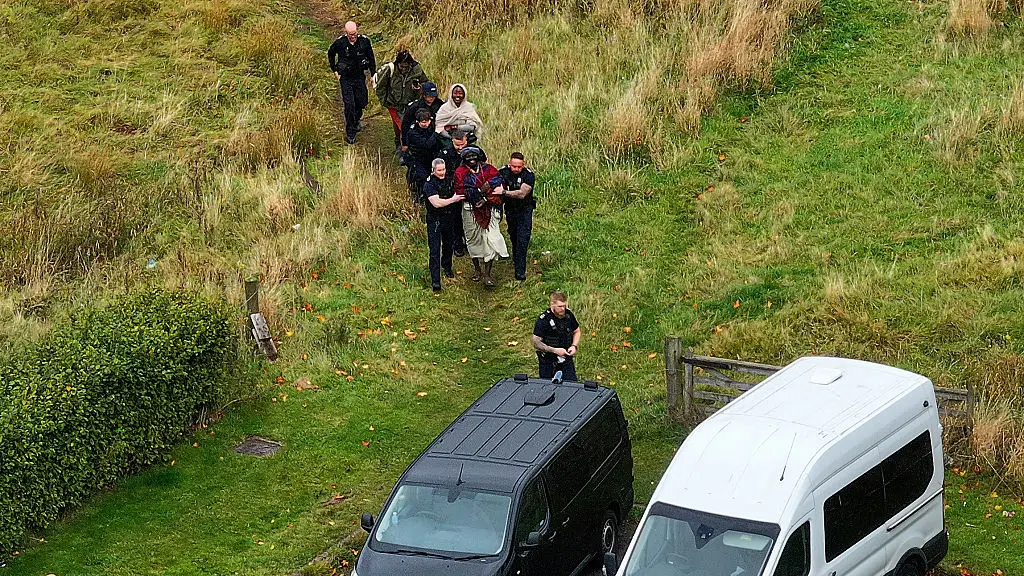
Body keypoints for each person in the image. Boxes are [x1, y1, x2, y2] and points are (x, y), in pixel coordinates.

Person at [454, 146, 507, 287]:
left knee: (491, 238)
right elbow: (460, 190)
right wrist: (476, 192)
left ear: (479, 157)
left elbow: (499, 182)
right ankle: (477, 269)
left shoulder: (489, 169)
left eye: (474, 156)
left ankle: (487, 274)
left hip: (489, 207)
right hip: (470, 209)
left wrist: (486, 196)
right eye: (468, 157)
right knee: (473, 239)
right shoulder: (460, 172)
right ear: (464, 159)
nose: (471, 159)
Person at [328, 21, 376, 145]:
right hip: (346, 78)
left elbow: (371, 57)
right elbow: (331, 53)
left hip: (360, 76)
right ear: (346, 33)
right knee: (349, 105)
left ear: (357, 31)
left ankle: (356, 119)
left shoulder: (364, 42)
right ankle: (351, 132)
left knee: (362, 101)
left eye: (354, 34)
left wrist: (373, 73)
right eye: (350, 34)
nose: (353, 36)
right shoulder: (340, 43)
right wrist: (335, 70)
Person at [422, 159, 465, 292]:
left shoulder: (450, 179)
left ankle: (447, 267)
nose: (442, 173)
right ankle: (436, 281)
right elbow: (437, 203)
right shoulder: (429, 184)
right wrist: (453, 199)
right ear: (433, 170)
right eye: (439, 170)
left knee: (448, 244)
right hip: (435, 218)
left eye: (444, 169)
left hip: (449, 217)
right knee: (434, 249)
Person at [374, 50, 429, 150]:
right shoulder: (390, 69)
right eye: (401, 66)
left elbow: (425, 83)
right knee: (403, 125)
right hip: (393, 104)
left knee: (401, 123)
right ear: (397, 64)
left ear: (410, 65)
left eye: (406, 67)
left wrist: (419, 89)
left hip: (410, 103)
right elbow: (380, 87)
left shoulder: (417, 69)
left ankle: (399, 142)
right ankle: (403, 149)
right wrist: (384, 101)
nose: (404, 69)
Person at [498, 152, 536, 281]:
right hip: (510, 210)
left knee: (523, 238)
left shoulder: (528, 175)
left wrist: (504, 192)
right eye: (514, 166)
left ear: (523, 165)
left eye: (519, 167)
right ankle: (516, 258)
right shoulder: (503, 172)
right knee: (514, 236)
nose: (516, 169)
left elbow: (522, 194)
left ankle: (520, 271)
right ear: (510, 164)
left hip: (524, 210)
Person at [532, 291, 581, 381]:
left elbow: (577, 331)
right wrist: (554, 350)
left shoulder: (568, 315)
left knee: (571, 385)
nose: (563, 309)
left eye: (564, 306)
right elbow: (536, 342)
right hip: (548, 360)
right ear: (552, 305)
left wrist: (574, 346)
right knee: (547, 387)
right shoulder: (543, 320)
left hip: (566, 357)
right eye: (560, 306)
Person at [405, 108, 440, 203]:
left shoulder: (432, 125)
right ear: (417, 121)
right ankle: (419, 196)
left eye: (427, 121)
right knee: (421, 177)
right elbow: (427, 144)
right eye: (423, 122)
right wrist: (436, 133)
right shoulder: (413, 132)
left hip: (429, 157)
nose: (425, 124)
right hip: (417, 157)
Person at [401, 81, 443, 150]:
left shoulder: (440, 104)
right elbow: (406, 124)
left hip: (435, 134)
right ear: (424, 95)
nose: (432, 97)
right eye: (430, 95)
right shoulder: (415, 106)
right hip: (419, 136)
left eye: (434, 95)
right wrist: (405, 143)